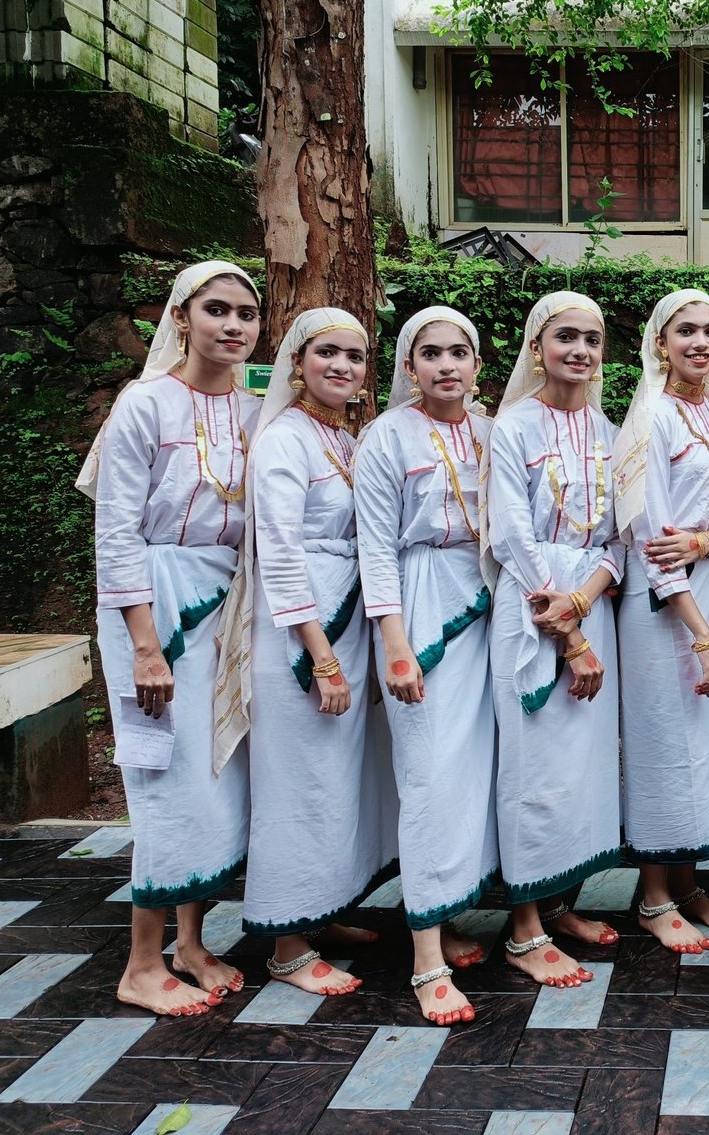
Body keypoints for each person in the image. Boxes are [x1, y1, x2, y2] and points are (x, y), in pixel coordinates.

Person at [81, 260, 261, 1017]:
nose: (233, 325)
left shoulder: (257, 411)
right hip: (152, 607)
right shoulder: (144, 403)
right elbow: (116, 532)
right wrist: (146, 647)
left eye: (246, 313)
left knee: (216, 773)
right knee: (164, 780)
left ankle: (192, 941)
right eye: (217, 309)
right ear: (180, 317)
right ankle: (141, 964)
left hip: (227, 600)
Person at [216, 307, 398, 996]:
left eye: (354, 356)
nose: (342, 366)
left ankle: (321, 909)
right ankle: (287, 946)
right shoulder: (284, 439)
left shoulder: (344, 439)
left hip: (344, 618)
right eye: (327, 353)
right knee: (296, 783)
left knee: (336, 779)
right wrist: (321, 658)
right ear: (297, 362)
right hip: (299, 633)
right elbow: (280, 554)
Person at [355, 306, 497, 1025]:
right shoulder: (387, 435)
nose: (447, 365)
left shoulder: (491, 432)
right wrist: (395, 642)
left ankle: (448, 913)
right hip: (419, 601)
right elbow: (375, 546)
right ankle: (426, 959)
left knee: (472, 777)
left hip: (486, 605)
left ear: (477, 364)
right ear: (409, 367)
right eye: (431, 353)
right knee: (428, 778)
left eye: (459, 352)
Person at [484, 292, 625, 988]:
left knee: (582, 771)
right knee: (533, 769)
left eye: (592, 339)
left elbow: (619, 538)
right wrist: (567, 631)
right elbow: (511, 533)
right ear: (536, 348)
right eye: (566, 337)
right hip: (531, 607)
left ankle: (560, 903)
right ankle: (523, 927)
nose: (580, 351)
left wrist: (586, 599)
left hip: (589, 604)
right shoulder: (511, 426)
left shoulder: (609, 430)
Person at [614, 289, 709, 952]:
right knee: (663, 740)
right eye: (686, 331)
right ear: (660, 343)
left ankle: (689, 882)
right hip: (662, 605)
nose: (701, 342)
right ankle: (653, 894)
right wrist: (701, 635)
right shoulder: (651, 418)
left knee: (705, 740)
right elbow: (651, 536)